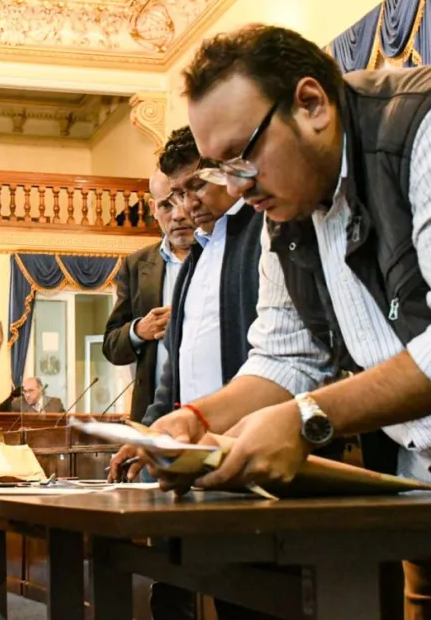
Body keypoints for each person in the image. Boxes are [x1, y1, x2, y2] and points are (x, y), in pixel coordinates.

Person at [149, 24, 431, 619]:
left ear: (311, 104)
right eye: (222, 171)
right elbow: (285, 357)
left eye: (242, 158)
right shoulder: (287, 212)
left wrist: (308, 418)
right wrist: (196, 419)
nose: (238, 190)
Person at [107, 127, 266, 620]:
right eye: (172, 197)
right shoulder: (196, 254)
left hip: (251, 447)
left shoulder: (259, 233)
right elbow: (175, 369)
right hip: (199, 457)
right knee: (221, 591)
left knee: (264, 596)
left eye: (193, 188)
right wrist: (154, 429)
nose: (182, 207)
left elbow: (278, 356)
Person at [102, 160, 195, 423]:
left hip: (213, 408)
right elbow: (111, 346)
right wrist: (138, 331)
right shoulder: (136, 265)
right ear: (153, 209)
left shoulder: (219, 254)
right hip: (153, 414)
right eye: (166, 205)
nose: (178, 215)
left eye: (184, 199)